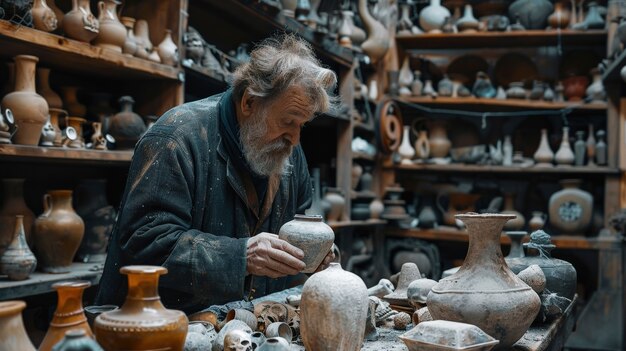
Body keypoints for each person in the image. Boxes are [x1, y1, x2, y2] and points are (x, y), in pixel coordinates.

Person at [96, 35, 338, 314]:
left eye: (302, 125)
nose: (295, 139)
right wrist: (240, 256)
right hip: (164, 324)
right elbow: (144, 244)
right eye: (288, 122)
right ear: (249, 102)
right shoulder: (175, 138)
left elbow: (299, 225)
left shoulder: (288, 150)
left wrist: (315, 256)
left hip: (247, 327)